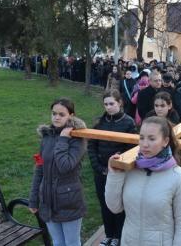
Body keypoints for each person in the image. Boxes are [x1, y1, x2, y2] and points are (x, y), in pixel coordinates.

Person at [105, 116, 181, 246]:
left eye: (152, 139)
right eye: (141, 138)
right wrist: (114, 175)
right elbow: (114, 207)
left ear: (165, 141)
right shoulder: (130, 169)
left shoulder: (178, 176)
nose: (144, 144)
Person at [28, 98, 87, 246]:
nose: (56, 117)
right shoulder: (47, 136)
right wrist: (34, 199)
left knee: (71, 243)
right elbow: (40, 169)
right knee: (58, 242)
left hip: (69, 200)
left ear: (71, 116)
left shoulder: (77, 138)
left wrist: (63, 140)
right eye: (54, 113)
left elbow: (65, 166)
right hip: (47, 199)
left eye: (62, 114)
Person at [88, 90, 137, 246]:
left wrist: (117, 165)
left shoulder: (128, 122)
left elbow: (131, 148)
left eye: (111, 104)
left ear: (120, 103)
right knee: (104, 204)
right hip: (101, 171)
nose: (108, 107)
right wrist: (99, 167)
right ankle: (108, 234)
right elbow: (91, 146)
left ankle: (118, 235)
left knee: (118, 205)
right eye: (106, 104)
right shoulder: (99, 122)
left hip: (119, 172)